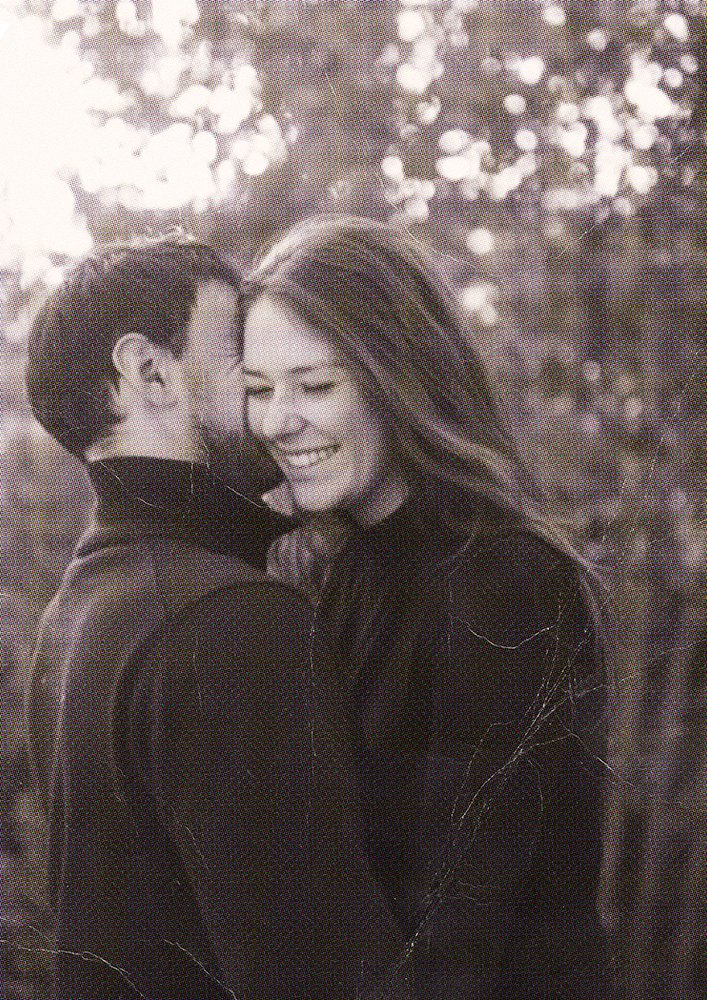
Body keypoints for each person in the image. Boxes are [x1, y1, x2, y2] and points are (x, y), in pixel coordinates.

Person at [240, 215, 615, 998]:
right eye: (257, 390)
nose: (278, 420)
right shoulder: (351, 570)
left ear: (396, 378)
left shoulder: (502, 581)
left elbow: (461, 932)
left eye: (314, 385)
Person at [24, 237, 409, 1000]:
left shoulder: (75, 615)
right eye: (238, 345)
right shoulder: (232, 621)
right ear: (148, 371)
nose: (267, 383)